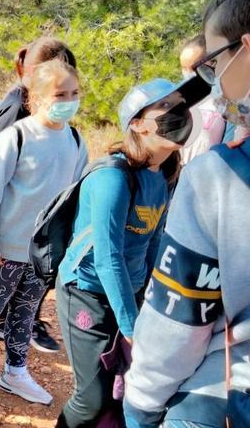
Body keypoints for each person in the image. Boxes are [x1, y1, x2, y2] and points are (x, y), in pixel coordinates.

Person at [124, 0, 250, 428]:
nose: (214, 84)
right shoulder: (118, 177)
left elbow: (179, 318)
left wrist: (140, 401)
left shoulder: (218, 175)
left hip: (220, 398)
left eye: (214, 64)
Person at [55, 75, 209, 427]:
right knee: (91, 397)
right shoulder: (112, 177)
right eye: (166, 106)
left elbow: (154, 242)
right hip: (87, 292)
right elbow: (108, 259)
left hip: (132, 289)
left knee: (121, 391)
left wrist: (153, 304)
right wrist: (132, 328)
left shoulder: (166, 172)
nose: (180, 112)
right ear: (138, 124)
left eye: (180, 105)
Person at [0, 60, 88, 417]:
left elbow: (77, 196)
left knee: (24, 314)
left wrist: (68, 247)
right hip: (5, 250)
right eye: (59, 94)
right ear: (36, 98)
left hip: (43, 254)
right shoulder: (16, 138)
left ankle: (16, 372)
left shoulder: (75, 139)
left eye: (73, 93)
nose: (67, 101)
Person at [0, 36, 78, 353]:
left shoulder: (63, 125)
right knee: (8, 281)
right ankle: (2, 324)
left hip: (42, 220)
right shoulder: (16, 109)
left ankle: (18, 324)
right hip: (16, 220)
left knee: (38, 271)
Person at [179, 35, 227, 164]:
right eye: (183, 68)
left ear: (212, 62)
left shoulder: (226, 98)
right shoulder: (180, 99)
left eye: (192, 67)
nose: (187, 73)